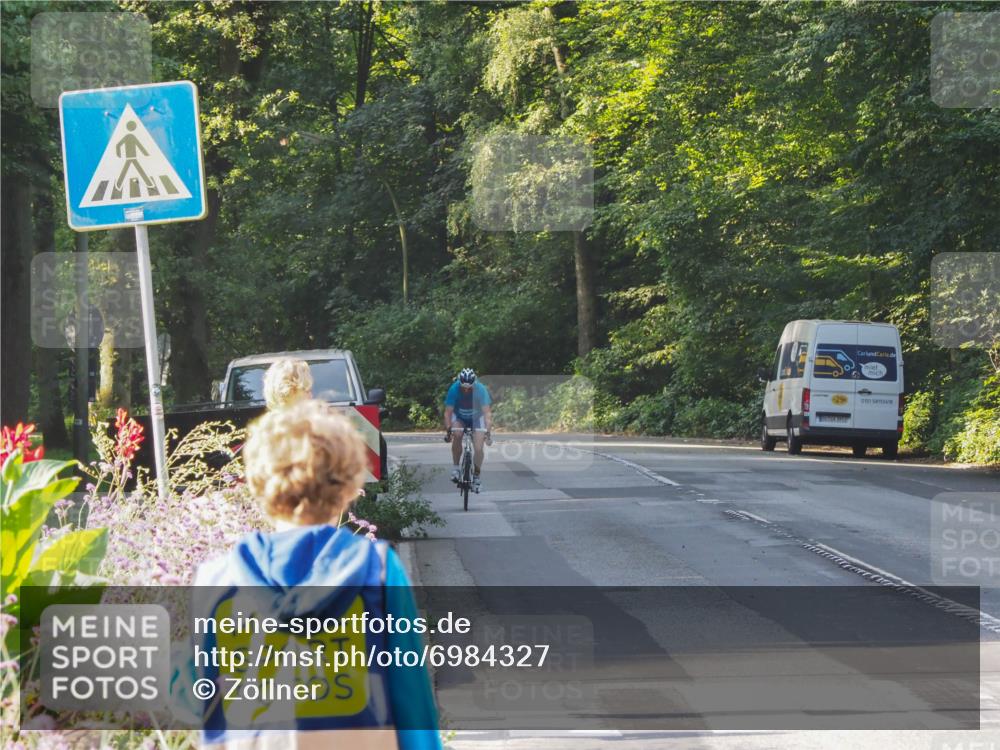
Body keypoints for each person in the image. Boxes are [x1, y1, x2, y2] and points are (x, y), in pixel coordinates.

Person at [184, 400, 441, 750]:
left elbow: (206, 698)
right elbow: (411, 701)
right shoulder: (378, 571)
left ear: (258, 484)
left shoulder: (216, 579)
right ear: (350, 485)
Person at [443, 368, 493, 492]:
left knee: (478, 448)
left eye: (469, 388)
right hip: (460, 418)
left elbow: (487, 414)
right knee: (457, 433)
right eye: (463, 387)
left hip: (477, 418)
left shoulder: (480, 390)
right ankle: (456, 468)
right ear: (459, 383)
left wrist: (488, 432)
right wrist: (449, 430)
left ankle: (476, 476)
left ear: (474, 384)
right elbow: (448, 413)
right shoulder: (454, 389)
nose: (466, 390)